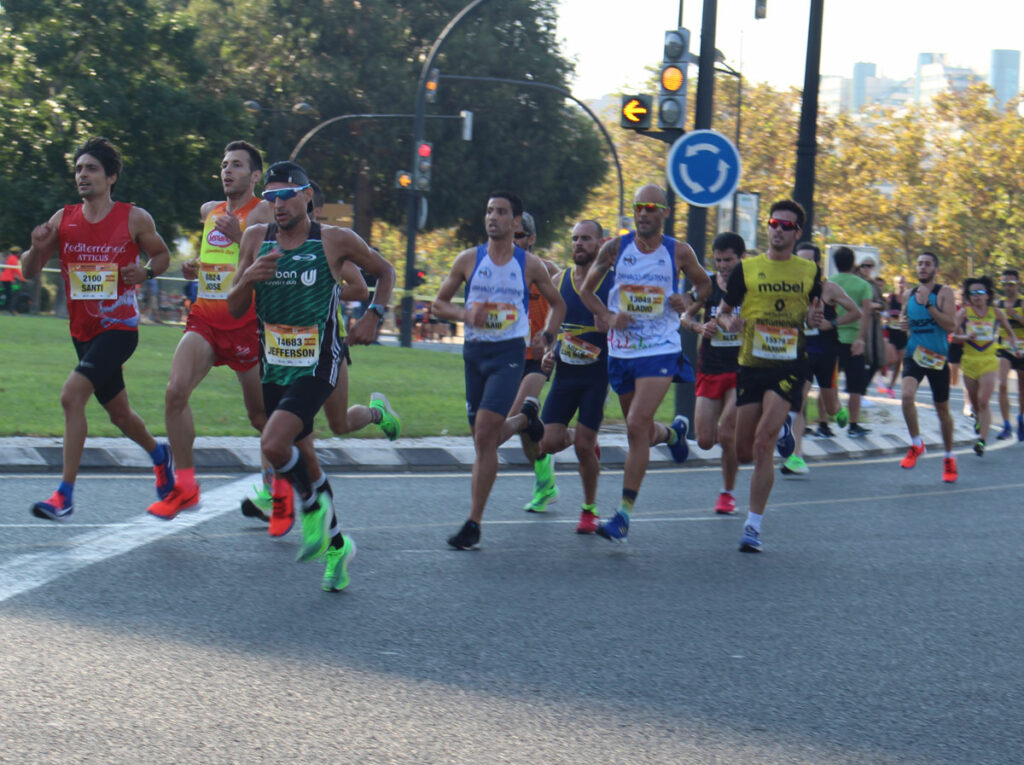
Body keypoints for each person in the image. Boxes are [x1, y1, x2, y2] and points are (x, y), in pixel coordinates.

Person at [227, 160, 395, 591]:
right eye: (270, 197)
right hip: (275, 362)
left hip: (320, 361)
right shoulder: (254, 238)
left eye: (287, 195)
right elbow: (232, 306)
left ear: (307, 197)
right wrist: (248, 277)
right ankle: (337, 546)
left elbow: (384, 272)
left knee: (275, 442)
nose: (278, 204)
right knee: (305, 457)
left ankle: (312, 506)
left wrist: (374, 314)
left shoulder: (334, 240)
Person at [19, 136, 174, 520]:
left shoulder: (133, 218)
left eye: (90, 169)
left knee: (72, 396)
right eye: (78, 169)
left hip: (119, 329)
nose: (82, 175)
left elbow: (162, 255)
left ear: (111, 177)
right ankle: (160, 455)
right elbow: (27, 271)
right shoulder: (63, 219)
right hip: (83, 333)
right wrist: (38, 247)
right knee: (119, 414)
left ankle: (64, 494)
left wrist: (147, 271)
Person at [146, 141, 273, 520]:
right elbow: (220, 260)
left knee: (262, 418)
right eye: (223, 165)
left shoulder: (264, 210)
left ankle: (272, 491)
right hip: (205, 319)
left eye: (236, 165)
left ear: (254, 176)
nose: (227, 171)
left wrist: (239, 235)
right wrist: (197, 266)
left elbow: (271, 259)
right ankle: (185, 486)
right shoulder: (210, 211)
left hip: (246, 324)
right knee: (175, 392)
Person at [432, 192, 564, 549]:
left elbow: (558, 303)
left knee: (487, 434)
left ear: (516, 222)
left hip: (509, 354)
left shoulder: (530, 265)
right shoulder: (468, 260)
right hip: (475, 354)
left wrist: (547, 335)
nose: (493, 217)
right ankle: (524, 420)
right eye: (489, 210)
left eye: (502, 212)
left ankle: (473, 522)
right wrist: (464, 315)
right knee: (481, 436)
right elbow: (438, 304)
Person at [579, 184, 711, 543]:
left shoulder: (679, 252)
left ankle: (623, 514)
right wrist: (606, 314)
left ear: (664, 212)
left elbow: (705, 286)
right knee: (641, 430)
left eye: (651, 207)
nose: (643, 213)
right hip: (622, 351)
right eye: (639, 207)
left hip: (660, 347)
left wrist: (689, 302)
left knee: (636, 424)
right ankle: (673, 434)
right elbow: (586, 291)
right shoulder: (615, 248)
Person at [716, 200, 823, 552]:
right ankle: (781, 436)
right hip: (751, 364)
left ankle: (753, 526)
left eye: (786, 226)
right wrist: (730, 322)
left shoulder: (808, 272)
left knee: (763, 442)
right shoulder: (747, 269)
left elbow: (814, 315)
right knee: (745, 450)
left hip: (789, 364)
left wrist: (816, 320)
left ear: (797, 232)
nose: (778, 230)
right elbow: (725, 312)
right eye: (774, 223)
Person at [528, 219, 610, 532]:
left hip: (596, 375)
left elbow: (628, 323)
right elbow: (558, 324)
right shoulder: (560, 280)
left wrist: (610, 320)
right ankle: (583, 439)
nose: (579, 244)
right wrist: (550, 351)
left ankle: (589, 510)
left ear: (600, 244)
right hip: (565, 374)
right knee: (546, 443)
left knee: (583, 448)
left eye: (586, 239)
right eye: (575, 238)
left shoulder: (610, 282)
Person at [781, 242, 861, 476]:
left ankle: (839, 411)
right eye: (799, 260)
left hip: (826, 353)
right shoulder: (790, 288)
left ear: (817, 264)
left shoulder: (830, 289)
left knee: (831, 405)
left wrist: (831, 323)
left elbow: (857, 312)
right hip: (801, 352)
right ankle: (797, 457)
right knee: (798, 401)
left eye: (808, 261)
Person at [681, 232, 744, 512]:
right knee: (705, 440)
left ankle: (727, 493)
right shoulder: (708, 286)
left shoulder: (751, 285)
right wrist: (699, 327)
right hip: (710, 367)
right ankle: (745, 439)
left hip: (742, 369)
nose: (723, 265)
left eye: (728, 260)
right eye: (718, 260)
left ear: (740, 258)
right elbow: (685, 315)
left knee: (727, 432)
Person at [510, 211, 564, 513]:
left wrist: (552, 337)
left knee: (515, 414)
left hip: (539, 359)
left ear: (531, 238)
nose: (513, 241)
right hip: (508, 358)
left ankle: (547, 478)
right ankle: (546, 481)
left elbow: (565, 304)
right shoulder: (498, 269)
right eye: (510, 235)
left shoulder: (547, 269)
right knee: (523, 425)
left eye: (519, 235)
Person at [897, 252, 958, 483]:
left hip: (938, 358)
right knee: (906, 396)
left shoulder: (944, 293)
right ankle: (916, 444)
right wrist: (904, 324)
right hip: (915, 355)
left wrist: (929, 306)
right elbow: (906, 321)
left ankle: (949, 458)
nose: (922, 267)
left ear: (936, 269)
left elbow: (950, 325)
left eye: (927, 264)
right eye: (920, 263)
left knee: (942, 410)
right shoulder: (908, 294)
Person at [952, 276, 1019, 456]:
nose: (977, 296)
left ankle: (981, 441)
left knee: (983, 401)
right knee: (975, 403)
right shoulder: (964, 313)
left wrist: (1016, 348)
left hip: (989, 361)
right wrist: (965, 337)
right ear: (968, 296)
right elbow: (952, 335)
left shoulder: (996, 312)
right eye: (973, 293)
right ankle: (977, 419)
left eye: (980, 292)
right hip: (970, 361)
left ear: (988, 295)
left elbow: (1011, 334)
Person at [829, 247, 875, 438]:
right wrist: (861, 339)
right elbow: (865, 314)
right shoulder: (863, 285)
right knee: (855, 385)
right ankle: (853, 425)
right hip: (853, 340)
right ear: (853, 263)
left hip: (831, 338)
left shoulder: (829, 283)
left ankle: (824, 425)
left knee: (828, 382)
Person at [995, 268, 1024, 440]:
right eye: (1004, 283)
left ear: (1018, 284)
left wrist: (1017, 316)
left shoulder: (1021, 303)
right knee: (1002, 384)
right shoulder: (998, 304)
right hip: (1004, 348)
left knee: (1022, 387)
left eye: (1010, 283)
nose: (1007, 286)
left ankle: (1021, 418)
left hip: (1022, 348)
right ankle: (1006, 424)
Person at [881, 274, 910, 397]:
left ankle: (890, 387)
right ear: (894, 284)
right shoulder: (890, 298)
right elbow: (883, 314)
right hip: (891, 333)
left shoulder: (908, 300)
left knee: (899, 361)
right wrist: (885, 319)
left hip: (902, 333)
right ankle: (881, 380)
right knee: (890, 359)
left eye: (903, 282)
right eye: (899, 282)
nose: (901, 285)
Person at [2, 246, 25, 314]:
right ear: (17, 253)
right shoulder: (13, 259)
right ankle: (8, 309)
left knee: (10, 294)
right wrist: (22, 278)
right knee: (10, 295)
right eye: (19, 253)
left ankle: (8, 309)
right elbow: (16, 270)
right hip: (7, 280)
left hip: (7, 279)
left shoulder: (10, 258)